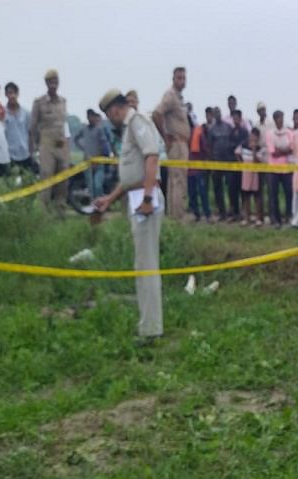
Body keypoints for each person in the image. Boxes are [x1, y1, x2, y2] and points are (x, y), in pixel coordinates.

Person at [92, 90, 164, 344]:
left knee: (146, 265)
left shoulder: (137, 122)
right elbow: (131, 175)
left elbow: (152, 156)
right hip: (136, 197)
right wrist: (110, 199)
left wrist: (146, 198)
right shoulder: (128, 128)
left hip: (145, 199)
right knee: (142, 263)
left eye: (108, 113)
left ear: (114, 109)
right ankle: (148, 324)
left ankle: (151, 329)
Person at [152, 67, 191, 220]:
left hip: (181, 143)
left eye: (184, 78)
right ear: (173, 79)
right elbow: (157, 113)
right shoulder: (170, 95)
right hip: (176, 143)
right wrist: (165, 136)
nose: (182, 81)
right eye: (179, 78)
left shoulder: (179, 98)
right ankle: (177, 218)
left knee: (177, 181)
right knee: (178, 181)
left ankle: (174, 216)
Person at [30, 69, 70, 213]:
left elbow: (65, 124)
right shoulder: (39, 102)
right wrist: (34, 148)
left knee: (63, 180)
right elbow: (33, 127)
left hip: (62, 144)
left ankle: (60, 211)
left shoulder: (63, 102)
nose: (53, 84)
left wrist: (67, 145)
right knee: (46, 177)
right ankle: (43, 212)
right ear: (46, 83)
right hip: (46, 144)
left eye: (55, 81)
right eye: (50, 81)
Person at [74, 109, 112, 198]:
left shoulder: (99, 129)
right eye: (89, 117)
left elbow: (104, 144)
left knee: (97, 184)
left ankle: (100, 202)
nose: (91, 119)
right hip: (87, 160)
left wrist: (100, 157)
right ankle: (93, 203)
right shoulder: (84, 129)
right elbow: (76, 139)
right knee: (90, 185)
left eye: (92, 117)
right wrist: (82, 148)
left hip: (98, 161)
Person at [206, 107, 235, 221]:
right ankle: (222, 213)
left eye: (219, 113)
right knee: (218, 189)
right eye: (215, 113)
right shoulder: (211, 130)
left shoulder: (228, 127)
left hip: (228, 162)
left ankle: (232, 212)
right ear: (213, 115)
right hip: (216, 162)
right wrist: (211, 162)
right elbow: (209, 147)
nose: (217, 115)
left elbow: (233, 143)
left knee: (231, 189)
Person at [266, 110, 293, 227]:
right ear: (275, 119)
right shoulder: (270, 134)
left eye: (282, 117)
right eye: (278, 118)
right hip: (274, 168)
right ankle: (276, 219)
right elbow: (273, 152)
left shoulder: (288, 132)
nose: (280, 120)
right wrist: (284, 150)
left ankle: (289, 216)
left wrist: (282, 150)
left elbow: (291, 148)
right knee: (273, 195)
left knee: (289, 193)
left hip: (287, 168)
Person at [237, 127, 266, 226]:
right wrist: (241, 164)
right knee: (246, 196)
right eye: (251, 136)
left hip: (256, 174)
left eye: (255, 137)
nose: (252, 138)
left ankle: (258, 218)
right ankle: (247, 218)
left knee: (257, 196)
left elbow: (257, 161)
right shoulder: (243, 145)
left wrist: (254, 150)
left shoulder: (261, 148)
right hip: (246, 173)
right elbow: (236, 152)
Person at [186, 108, 211, 222]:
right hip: (189, 169)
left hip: (199, 168)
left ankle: (207, 215)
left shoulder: (199, 133)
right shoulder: (183, 136)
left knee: (202, 192)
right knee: (192, 193)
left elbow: (205, 149)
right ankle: (196, 214)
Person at [3, 82, 32, 172]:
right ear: (6, 94)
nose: (12, 96)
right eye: (10, 93)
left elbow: (30, 132)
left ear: (18, 94)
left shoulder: (26, 113)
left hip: (25, 153)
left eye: (14, 93)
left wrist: (31, 151)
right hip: (9, 154)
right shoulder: (2, 113)